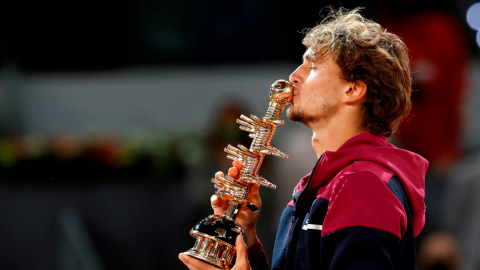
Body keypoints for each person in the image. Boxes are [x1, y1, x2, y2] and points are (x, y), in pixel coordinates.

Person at [179, 7, 428, 270]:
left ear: (352, 89)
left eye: (313, 67)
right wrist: (247, 240)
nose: (293, 77)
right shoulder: (330, 183)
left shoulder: (361, 185)